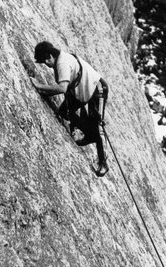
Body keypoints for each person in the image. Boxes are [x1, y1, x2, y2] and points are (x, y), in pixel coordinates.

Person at [31, 41, 109, 177]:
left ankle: (103, 163)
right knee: (64, 113)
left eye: (45, 62)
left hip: (97, 89)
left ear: (49, 56)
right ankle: (90, 135)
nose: (47, 65)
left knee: (98, 125)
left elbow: (62, 88)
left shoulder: (62, 63)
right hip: (82, 90)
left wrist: (40, 86)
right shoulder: (60, 59)